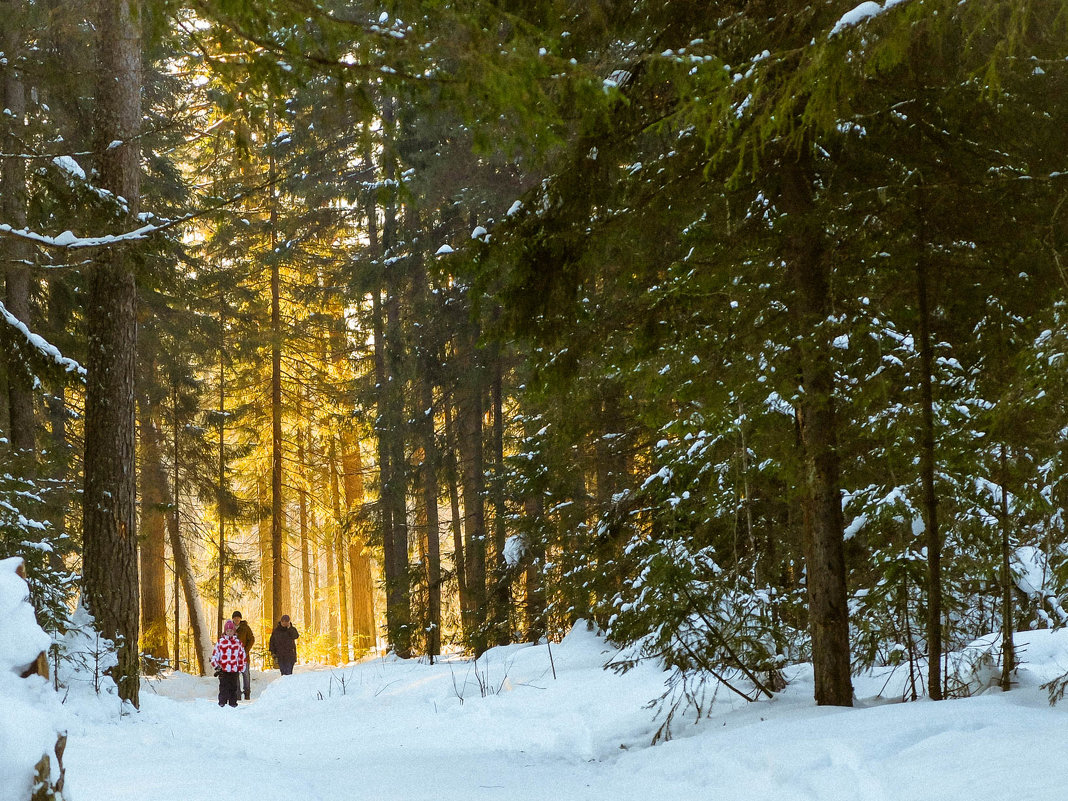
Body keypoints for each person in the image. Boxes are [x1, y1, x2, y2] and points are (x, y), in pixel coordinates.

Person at [211, 619, 247, 708]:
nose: (229, 632)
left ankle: (233, 704)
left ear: (234, 631)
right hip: (223, 669)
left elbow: (242, 655)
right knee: (223, 687)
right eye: (228, 631)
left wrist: (241, 667)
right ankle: (222, 703)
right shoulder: (221, 642)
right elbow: (215, 655)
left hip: (234, 669)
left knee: (233, 687)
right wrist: (216, 665)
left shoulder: (238, 643)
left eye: (231, 630)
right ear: (225, 631)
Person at [231, 611, 255, 700]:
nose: (236, 619)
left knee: (246, 675)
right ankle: (237, 694)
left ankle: (247, 693)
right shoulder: (230, 628)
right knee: (235, 675)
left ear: (240, 619)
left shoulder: (245, 628)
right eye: (235, 617)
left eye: (238, 617)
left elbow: (251, 639)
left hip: (244, 656)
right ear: (233, 618)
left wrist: (246, 650)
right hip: (234, 657)